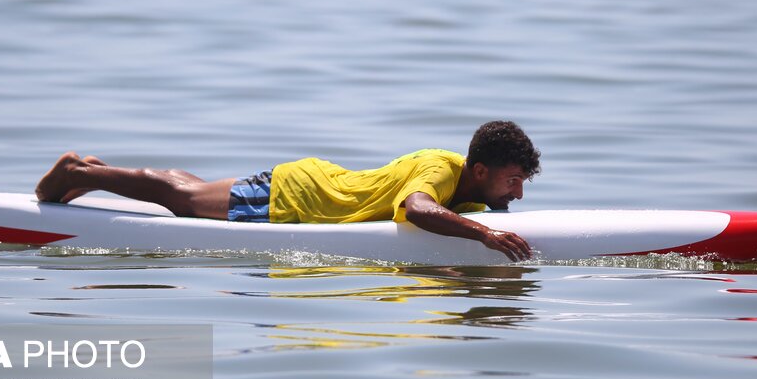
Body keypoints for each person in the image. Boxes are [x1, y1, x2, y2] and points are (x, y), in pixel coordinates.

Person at [36, 120, 541, 261]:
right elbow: (415, 208)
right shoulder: (440, 171)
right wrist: (484, 236)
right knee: (185, 201)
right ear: (477, 170)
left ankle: (97, 170)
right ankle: (78, 175)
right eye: (512, 181)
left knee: (192, 189)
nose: (517, 195)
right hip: (299, 197)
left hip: (309, 184)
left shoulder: (472, 192)